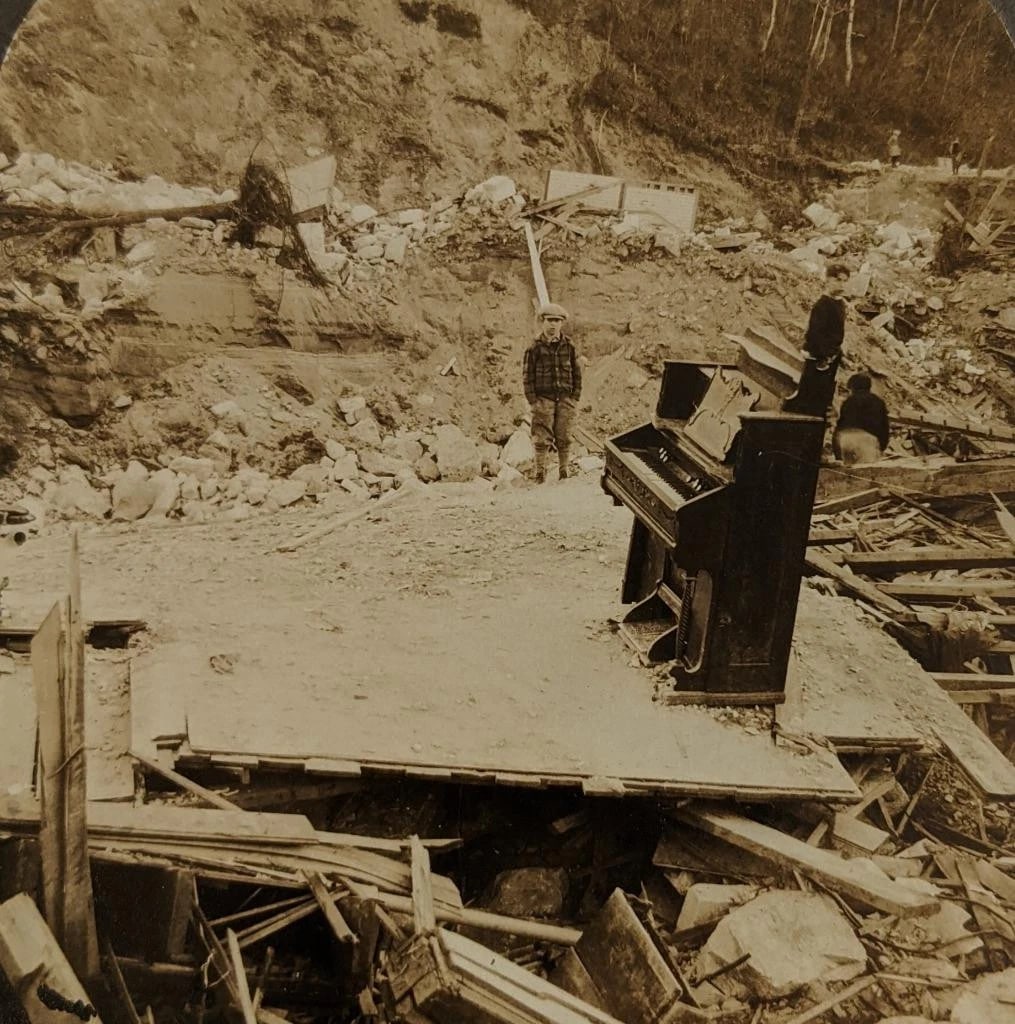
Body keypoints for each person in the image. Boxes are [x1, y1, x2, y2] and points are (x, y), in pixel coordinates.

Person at [523, 302, 581, 483]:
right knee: (541, 438)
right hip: (543, 399)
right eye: (549, 320)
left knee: (564, 436)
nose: (553, 324)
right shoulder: (534, 347)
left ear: (562, 323)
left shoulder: (569, 346)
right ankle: (540, 473)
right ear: (542, 321)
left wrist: (575, 396)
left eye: (557, 321)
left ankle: (564, 472)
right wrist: (533, 400)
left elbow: (577, 372)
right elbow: (527, 375)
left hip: (565, 399)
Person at [782, 295, 845, 420]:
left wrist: (828, 354)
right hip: (821, 355)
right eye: (838, 280)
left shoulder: (838, 304)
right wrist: (824, 354)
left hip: (826, 355)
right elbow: (814, 334)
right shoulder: (822, 305)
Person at [833, 372, 890, 465]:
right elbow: (884, 427)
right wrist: (881, 446)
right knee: (865, 473)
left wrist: (837, 452)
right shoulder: (878, 402)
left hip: (846, 439)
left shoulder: (848, 402)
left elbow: (840, 426)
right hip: (867, 441)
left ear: (852, 387)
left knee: (847, 471)